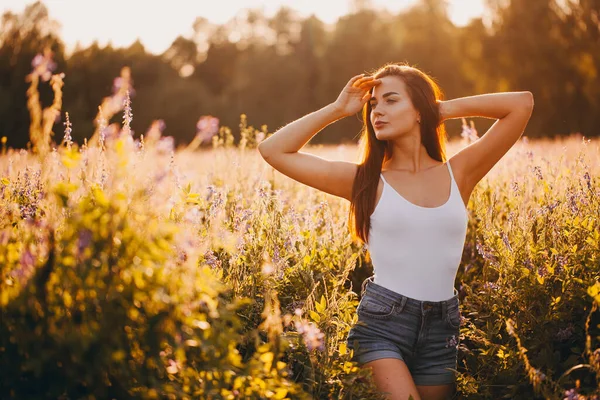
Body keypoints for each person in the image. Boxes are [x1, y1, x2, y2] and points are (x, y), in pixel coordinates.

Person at [257, 62, 534, 400]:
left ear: (419, 110)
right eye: (373, 104)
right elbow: (273, 150)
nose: (377, 111)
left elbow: (521, 104)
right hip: (383, 325)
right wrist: (337, 109)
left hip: (442, 328)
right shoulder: (365, 181)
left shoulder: (459, 173)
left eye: (391, 100)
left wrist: (439, 110)